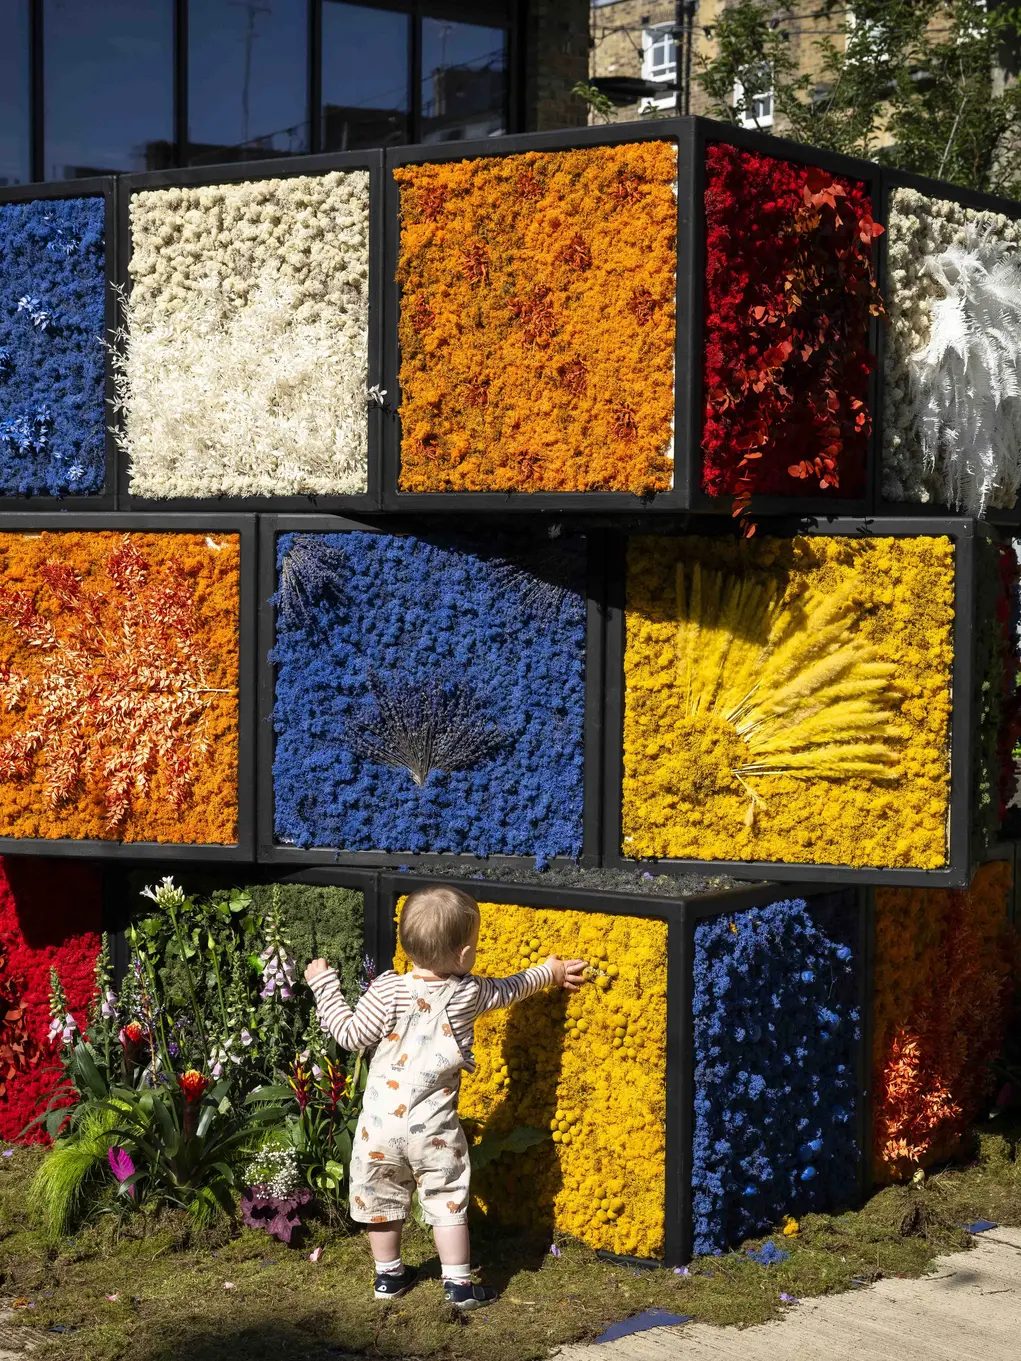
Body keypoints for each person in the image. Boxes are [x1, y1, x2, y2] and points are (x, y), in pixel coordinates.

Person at [304, 883, 585, 1310]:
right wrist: (551, 971)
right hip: (433, 1128)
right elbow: (511, 988)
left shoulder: (387, 990)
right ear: (463, 955)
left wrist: (325, 985)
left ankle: (388, 1277)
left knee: (380, 1198)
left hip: (378, 1128)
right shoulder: (467, 994)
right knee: (446, 1197)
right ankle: (458, 1284)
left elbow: (349, 1036)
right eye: (473, 944)